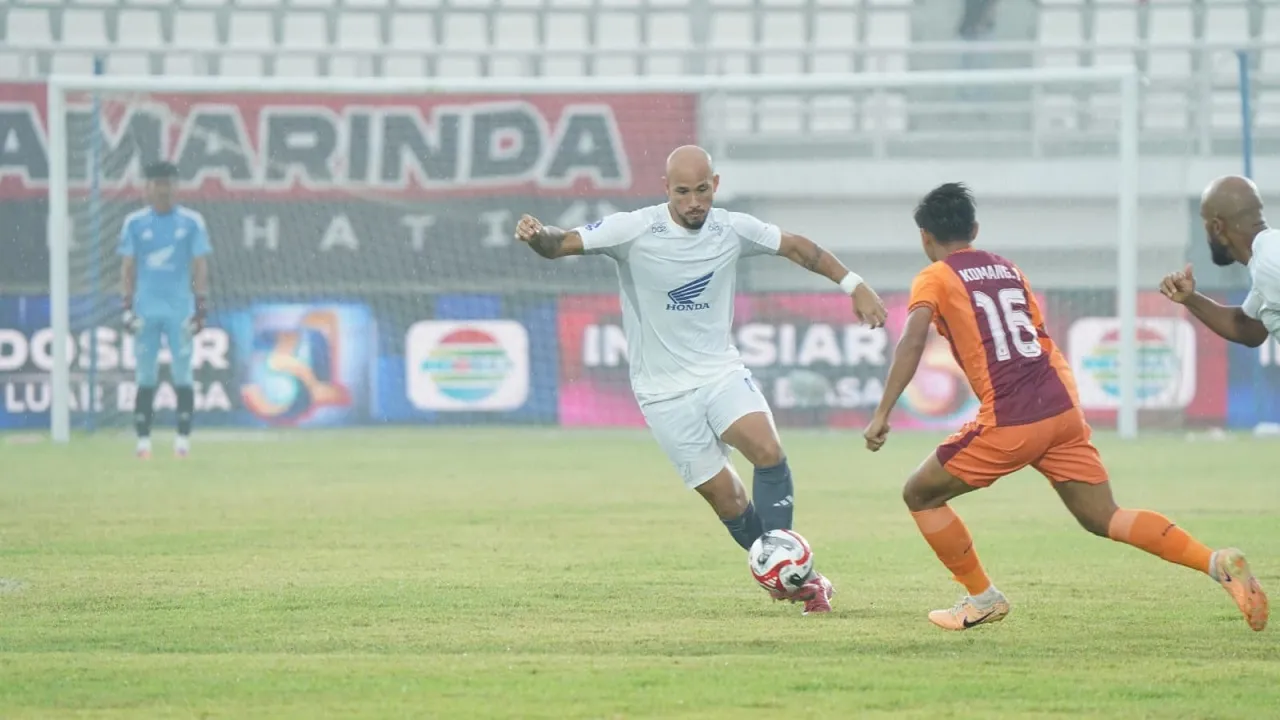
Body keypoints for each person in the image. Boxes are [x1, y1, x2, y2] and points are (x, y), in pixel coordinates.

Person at [863, 182, 1267, 632]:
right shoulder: (1007, 269)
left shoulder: (934, 276)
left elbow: (912, 339)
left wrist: (882, 412)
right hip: (1060, 408)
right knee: (1104, 516)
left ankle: (982, 597)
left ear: (924, 237)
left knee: (919, 493)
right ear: (974, 228)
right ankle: (1217, 564)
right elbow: (1038, 337)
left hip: (1012, 418)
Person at [514, 145, 887, 614]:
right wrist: (536, 234)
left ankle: (787, 564)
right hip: (661, 392)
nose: (694, 202)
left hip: (719, 372)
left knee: (767, 450)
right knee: (727, 498)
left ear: (716, 184)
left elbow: (798, 247)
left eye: (703, 190)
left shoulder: (731, 229)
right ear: (666, 189)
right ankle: (798, 580)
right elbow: (559, 243)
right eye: (684, 192)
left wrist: (853, 285)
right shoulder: (633, 229)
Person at [118, 161, 212, 459]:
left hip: (179, 310)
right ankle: (143, 442)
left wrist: (200, 307)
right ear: (148, 188)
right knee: (145, 376)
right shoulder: (134, 223)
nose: (164, 189)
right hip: (146, 311)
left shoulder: (192, 222)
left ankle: (182, 441)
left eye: (169, 183)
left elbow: (199, 264)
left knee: (182, 373)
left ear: (176, 186)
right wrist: (127, 306)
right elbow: (128, 266)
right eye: (158, 183)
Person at [1159, 175, 1277, 348]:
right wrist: (1190, 298)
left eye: (1205, 226)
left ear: (1217, 227)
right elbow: (1246, 328)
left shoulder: (1269, 263)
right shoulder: (1265, 270)